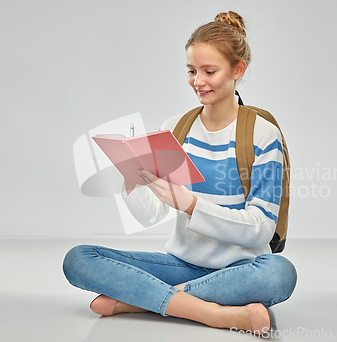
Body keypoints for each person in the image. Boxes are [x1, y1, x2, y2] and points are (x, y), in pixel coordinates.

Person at [63, 11, 297, 336]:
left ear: (238, 70)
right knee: (79, 259)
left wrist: (191, 205)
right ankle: (210, 312)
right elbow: (152, 216)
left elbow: (260, 229)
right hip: (180, 266)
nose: (197, 82)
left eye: (209, 71)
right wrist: (132, 181)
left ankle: (139, 301)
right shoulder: (175, 128)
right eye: (191, 71)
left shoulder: (262, 134)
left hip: (241, 268)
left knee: (278, 274)